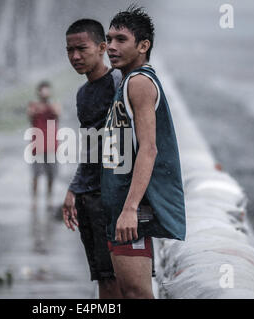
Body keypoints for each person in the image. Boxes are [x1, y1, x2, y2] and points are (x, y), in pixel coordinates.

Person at [102, 6, 186, 299]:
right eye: (108, 39)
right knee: (123, 292)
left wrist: (130, 209)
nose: (110, 46)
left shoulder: (138, 83)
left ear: (143, 45)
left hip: (131, 210)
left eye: (121, 39)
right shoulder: (126, 81)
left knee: (137, 293)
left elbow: (149, 149)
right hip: (119, 206)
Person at [62, 19, 123, 299]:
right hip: (89, 199)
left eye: (81, 48)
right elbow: (90, 148)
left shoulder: (120, 83)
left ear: (101, 48)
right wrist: (74, 188)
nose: (75, 56)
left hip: (114, 199)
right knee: (102, 277)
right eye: (69, 50)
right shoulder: (83, 94)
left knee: (120, 279)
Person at [27, 81, 61, 208]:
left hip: (52, 145)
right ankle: (34, 200)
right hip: (38, 145)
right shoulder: (33, 105)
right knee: (36, 174)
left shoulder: (54, 104)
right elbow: (30, 114)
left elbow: (58, 113)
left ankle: (49, 198)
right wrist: (41, 107)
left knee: (51, 174)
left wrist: (47, 105)